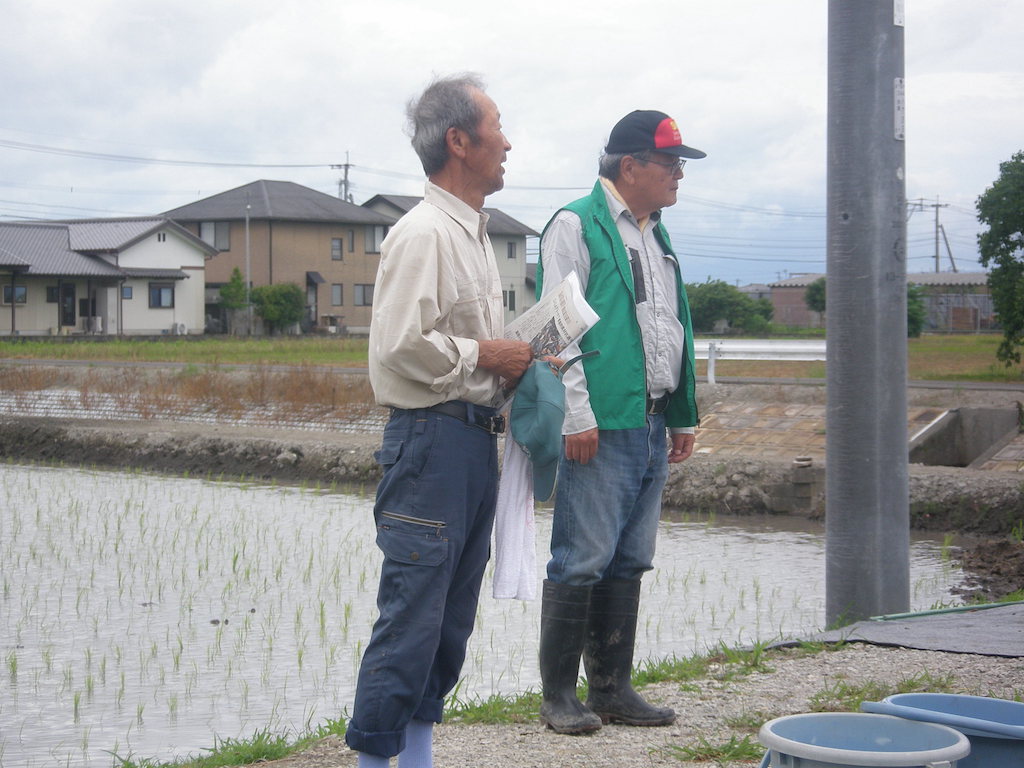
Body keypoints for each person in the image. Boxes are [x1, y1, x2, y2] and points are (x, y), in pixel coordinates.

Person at [345, 74, 533, 767]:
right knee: (411, 619)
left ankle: (417, 757)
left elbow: (459, 349)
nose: (507, 141)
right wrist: (492, 352)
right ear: (460, 141)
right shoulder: (423, 233)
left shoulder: (475, 235)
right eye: (496, 126)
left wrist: (516, 359)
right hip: (429, 442)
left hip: (469, 441)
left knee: (447, 623)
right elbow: (399, 344)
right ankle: (374, 761)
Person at [535, 109, 705, 735]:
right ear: (629, 166)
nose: (679, 175)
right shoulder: (575, 225)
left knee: (631, 559)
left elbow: (673, 327)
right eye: (670, 163)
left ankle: (612, 688)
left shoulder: (655, 233)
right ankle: (558, 696)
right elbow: (557, 328)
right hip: (600, 425)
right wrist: (576, 414)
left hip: (652, 422)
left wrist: (682, 412)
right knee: (581, 559)